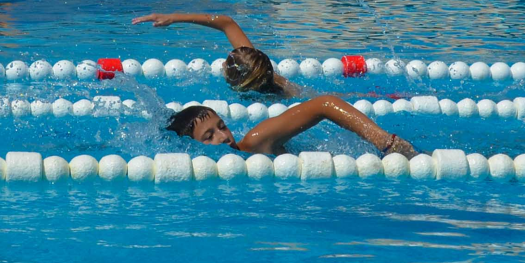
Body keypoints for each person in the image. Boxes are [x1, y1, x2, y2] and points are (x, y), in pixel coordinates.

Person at [167, 95, 417, 157]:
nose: (222, 137)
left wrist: (386, 142)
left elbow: (325, 104)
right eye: (208, 137)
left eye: (222, 126)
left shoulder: (255, 142)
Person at [132, 13, 302, 98]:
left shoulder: (260, 86)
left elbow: (227, 22)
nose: (222, 65)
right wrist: (173, 17)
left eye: (226, 64)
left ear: (238, 81)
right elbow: (227, 23)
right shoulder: (260, 71)